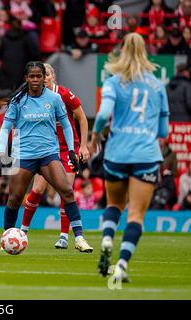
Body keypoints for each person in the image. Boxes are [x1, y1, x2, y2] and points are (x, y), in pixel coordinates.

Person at [91, 33, 170, 282]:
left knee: (114, 205)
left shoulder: (114, 82)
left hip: (117, 152)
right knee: (136, 215)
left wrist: (95, 135)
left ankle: (106, 239)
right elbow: (164, 131)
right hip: (146, 153)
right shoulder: (158, 86)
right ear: (144, 52)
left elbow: (103, 114)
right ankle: (122, 265)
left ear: (122, 51)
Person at [0, 61, 93, 253]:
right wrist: (2, 155)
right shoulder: (18, 100)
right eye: (31, 76)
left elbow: (66, 124)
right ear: (26, 78)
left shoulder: (55, 98)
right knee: (15, 198)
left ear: (44, 78)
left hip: (49, 155)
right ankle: (8, 236)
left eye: (38, 76)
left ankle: (79, 238)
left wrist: (73, 151)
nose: (35, 80)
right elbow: (6, 127)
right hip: (23, 155)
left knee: (66, 191)